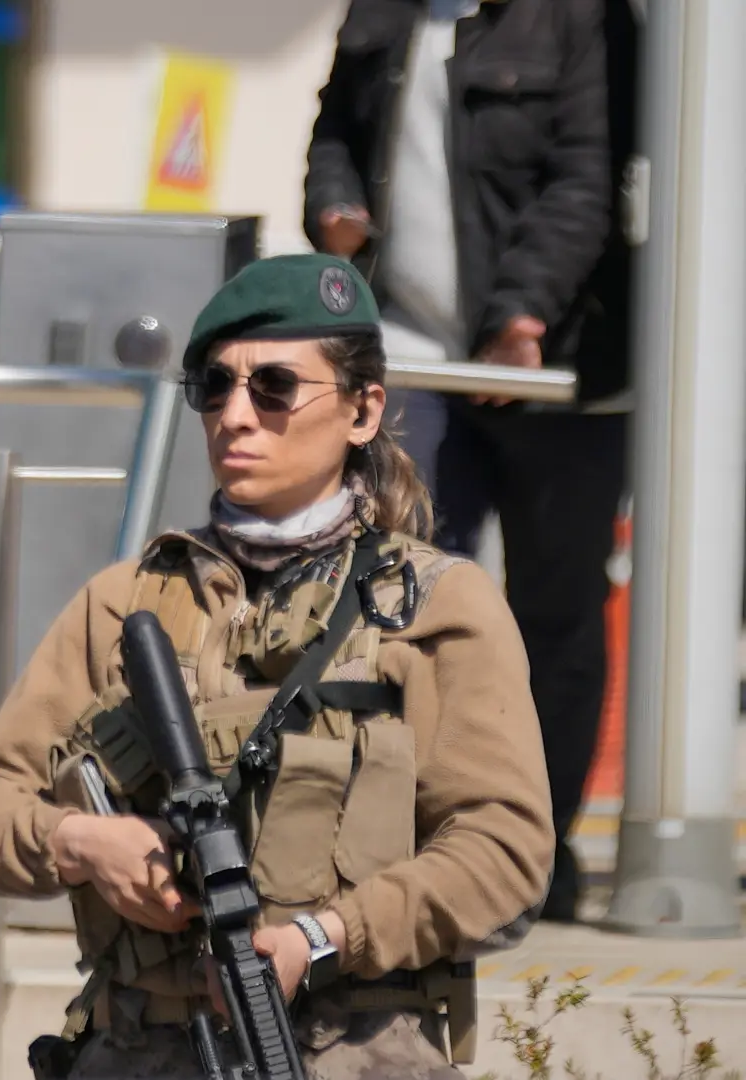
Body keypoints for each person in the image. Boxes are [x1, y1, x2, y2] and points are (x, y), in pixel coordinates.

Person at [0, 255, 554, 1079]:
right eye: (213, 387)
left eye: (275, 388)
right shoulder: (128, 601)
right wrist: (81, 841)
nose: (236, 415)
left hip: (350, 1052)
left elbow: (504, 851)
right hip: (137, 1051)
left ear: (364, 410)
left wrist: (325, 938)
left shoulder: (436, 605)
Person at [304, 0, 637, 922]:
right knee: (397, 599)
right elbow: (336, 126)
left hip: (554, 368)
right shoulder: (381, 14)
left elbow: (587, 180)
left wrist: (520, 316)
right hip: (410, 354)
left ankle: (535, 850)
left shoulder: (578, 21)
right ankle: (409, 843)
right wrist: (332, 207)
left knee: (552, 613)